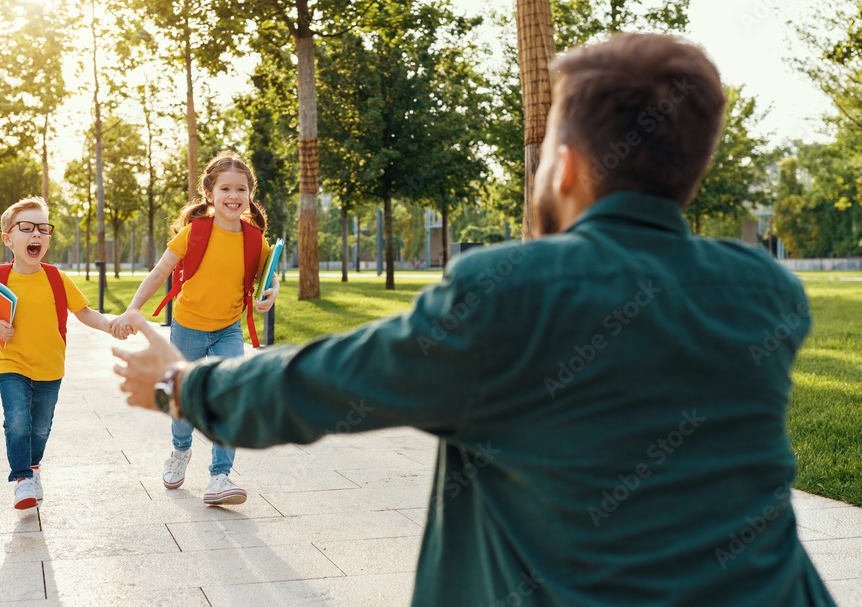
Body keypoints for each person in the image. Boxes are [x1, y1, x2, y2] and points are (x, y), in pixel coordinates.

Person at [111, 34, 835, 606]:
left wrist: (180, 386)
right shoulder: (767, 294)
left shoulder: (508, 292)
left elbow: (329, 384)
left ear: (566, 168)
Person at [110, 151, 278, 506]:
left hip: (229, 329)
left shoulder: (255, 239)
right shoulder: (194, 232)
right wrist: (133, 310)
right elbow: (160, 272)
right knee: (182, 399)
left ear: (250, 194)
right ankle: (181, 450)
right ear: (210, 194)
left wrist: (270, 294)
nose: (234, 196)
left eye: (241, 189)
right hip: (187, 328)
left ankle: (220, 477)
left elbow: (269, 278)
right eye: (226, 189)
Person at [0, 197, 121, 510]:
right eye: (27, 228)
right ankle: (22, 479)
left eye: (43, 229)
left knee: (40, 427)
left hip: (51, 366)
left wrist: (111, 324)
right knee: (18, 421)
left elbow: (85, 312)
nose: (36, 234)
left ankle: (33, 468)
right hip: (11, 363)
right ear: (8, 238)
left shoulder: (56, 279)